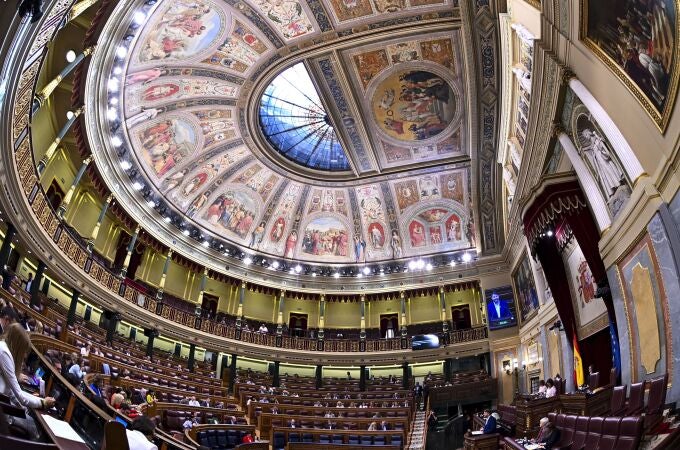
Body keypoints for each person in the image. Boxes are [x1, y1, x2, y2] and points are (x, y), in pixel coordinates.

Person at [0, 323, 56, 436]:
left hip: (4, 406)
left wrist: (38, 400)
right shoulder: (4, 352)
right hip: (3, 412)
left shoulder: (3, 348)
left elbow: (13, 392)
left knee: (30, 418)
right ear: (18, 345)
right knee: (36, 430)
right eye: (23, 350)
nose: (24, 355)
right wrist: (43, 403)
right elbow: (19, 395)